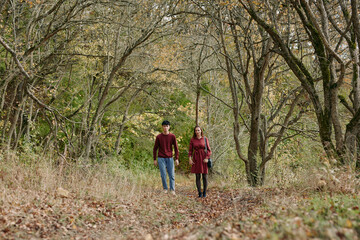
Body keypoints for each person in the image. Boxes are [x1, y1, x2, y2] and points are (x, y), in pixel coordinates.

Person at [153, 120, 179, 195]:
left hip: (170, 158)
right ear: (162, 127)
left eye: (167, 126)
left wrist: (177, 158)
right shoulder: (158, 137)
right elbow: (155, 148)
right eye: (164, 126)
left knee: (171, 174)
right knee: (163, 174)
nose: (165, 128)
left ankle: (172, 189)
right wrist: (154, 159)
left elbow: (176, 148)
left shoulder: (172, 136)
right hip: (161, 158)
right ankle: (165, 188)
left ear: (169, 127)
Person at [188, 126, 211, 198]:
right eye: (196, 130)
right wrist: (190, 159)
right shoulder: (193, 140)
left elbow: (209, 150)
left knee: (205, 176)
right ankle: (199, 192)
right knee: (197, 176)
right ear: (194, 132)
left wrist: (207, 158)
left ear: (201, 131)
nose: (197, 132)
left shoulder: (205, 139)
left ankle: (204, 192)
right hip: (196, 158)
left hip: (203, 158)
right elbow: (190, 150)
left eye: (198, 130)